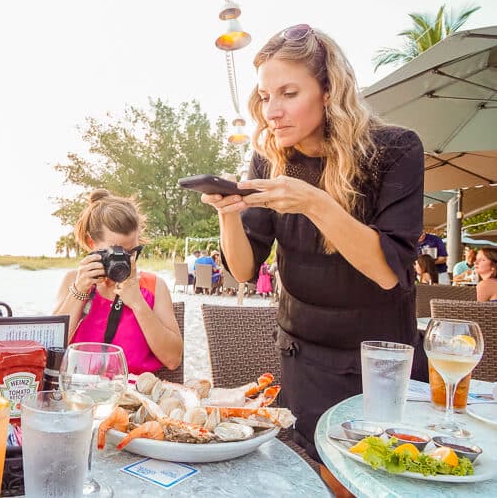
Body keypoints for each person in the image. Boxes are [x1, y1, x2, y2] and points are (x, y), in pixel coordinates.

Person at [201, 24, 426, 460]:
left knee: (375, 470)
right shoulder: (270, 157)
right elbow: (244, 271)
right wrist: (227, 215)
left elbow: (386, 271)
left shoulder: (395, 149)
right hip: (301, 359)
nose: (272, 111)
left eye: (288, 93)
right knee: (307, 471)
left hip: (378, 366)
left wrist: (315, 204)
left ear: (328, 91)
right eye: (266, 97)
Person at [52, 190, 182, 374]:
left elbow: (173, 360)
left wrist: (138, 303)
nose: (124, 261)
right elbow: (50, 348)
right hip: (80, 389)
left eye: (132, 252)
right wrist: (79, 292)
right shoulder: (74, 281)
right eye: (115, 253)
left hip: (134, 394)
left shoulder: (154, 286)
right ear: (92, 244)